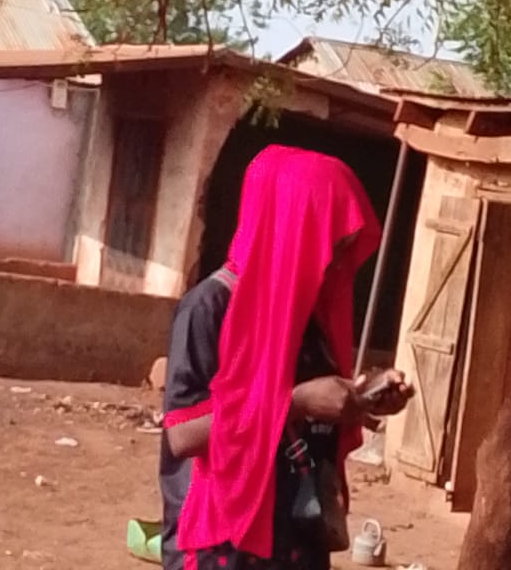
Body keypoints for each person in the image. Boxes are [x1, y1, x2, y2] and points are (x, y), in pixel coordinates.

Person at [160, 146, 413, 570]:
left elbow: (313, 405)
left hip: (297, 539)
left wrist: (362, 398)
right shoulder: (208, 310)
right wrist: (295, 402)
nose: (335, 262)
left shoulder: (308, 315)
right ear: (291, 227)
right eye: (330, 242)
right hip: (224, 547)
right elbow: (183, 436)